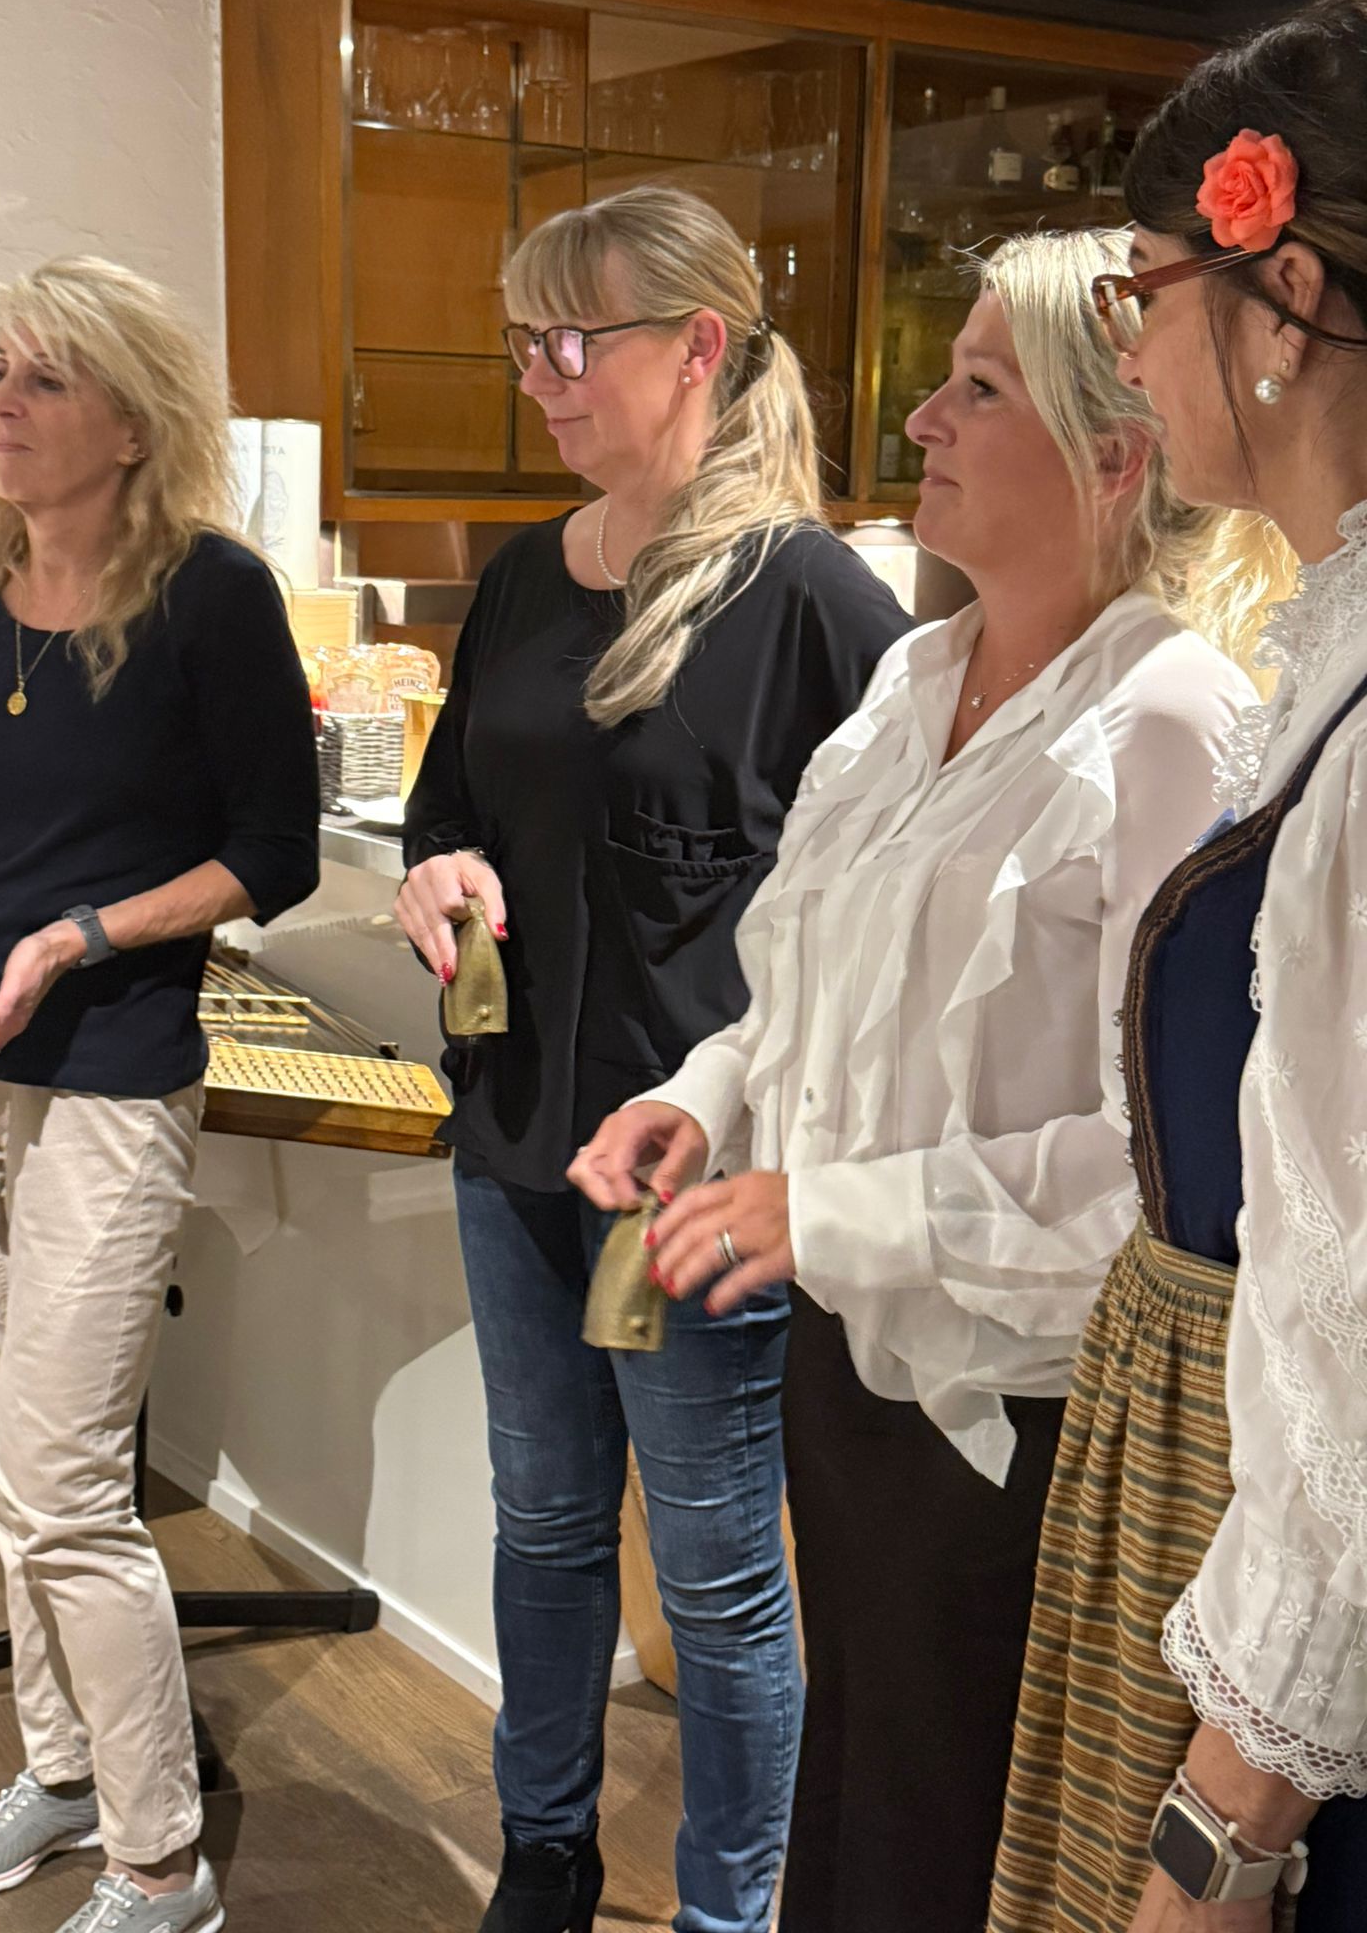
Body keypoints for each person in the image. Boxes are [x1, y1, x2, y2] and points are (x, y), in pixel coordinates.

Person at [573, 226, 1260, 1933]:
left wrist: (833, 1209)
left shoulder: (1172, 720)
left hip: (1022, 1412)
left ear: (1116, 456)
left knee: (954, 1837)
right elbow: (801, 990)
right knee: (862, 1794)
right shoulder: (907, 680)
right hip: (854, 1367)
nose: (922, 421)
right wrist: (707, 1100)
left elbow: (1164, 1163)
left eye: (979, 389)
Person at [396, 184, 907, 1933]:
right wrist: (436, 872)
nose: (539, 377)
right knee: (542, 1522)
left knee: (712, 1577)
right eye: (521, 342)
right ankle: (544, 1853)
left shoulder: (810, 597)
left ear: (698, 346)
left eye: (570, 340)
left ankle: (728, 1910)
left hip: (681, 1178)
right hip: (517, 1139)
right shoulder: (523, 578)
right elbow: (449, 803)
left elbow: (889, 891)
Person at [0, 256, 318, 1933]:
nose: (4, 406)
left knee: (63, 1476)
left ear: (130, 421)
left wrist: (87, 935)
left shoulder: (213, 598)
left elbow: (272, 853)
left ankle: (159, 1859)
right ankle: (62, 1770)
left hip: (108, 1071)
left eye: (45, 379)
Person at [989, 0, 1367, 1933]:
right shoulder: (1326, 654)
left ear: (1281, 296)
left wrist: (1229, 1819)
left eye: (1146, 290)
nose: (1128, 344)